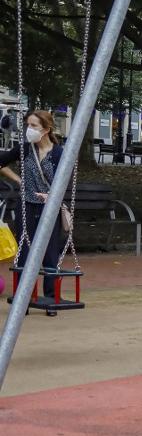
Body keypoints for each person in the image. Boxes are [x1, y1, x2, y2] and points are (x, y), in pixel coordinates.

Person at [0, 110, 69, 303]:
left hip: (49, 207)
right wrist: (18, 180)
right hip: (27, 204)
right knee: (25, 249)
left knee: (49, 251)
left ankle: (52, 297)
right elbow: (1, 162)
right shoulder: (25, 149)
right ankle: (24, 295)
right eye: (28, 125)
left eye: (34, 126)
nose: (29, 130)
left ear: (46, 130)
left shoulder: (58, 153)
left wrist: (52, 195)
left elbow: (65, 182)